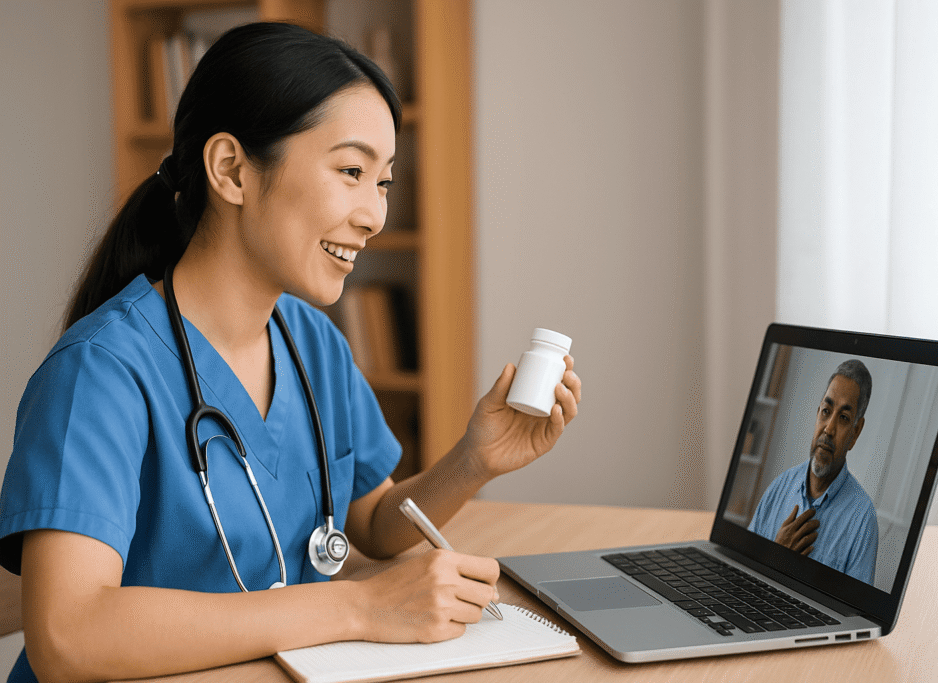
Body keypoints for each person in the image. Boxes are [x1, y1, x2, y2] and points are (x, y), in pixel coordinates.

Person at [0, 23, 581, 683]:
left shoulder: (311, 343)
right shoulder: (99, 371)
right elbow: (68, 635)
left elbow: (370, 523)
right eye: (352, 171)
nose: (374, 215)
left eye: (384, 182)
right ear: (232, 170)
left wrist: (474, 460)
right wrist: (359, 605)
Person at [748, 360, 878, 584]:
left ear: (855, 432)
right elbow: (741, 572)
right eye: (826, 411)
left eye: (843, 418)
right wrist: (775, 556)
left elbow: (853, 607)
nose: (829, 428)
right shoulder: (779, 487)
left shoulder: (863, 521)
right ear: (817, 413)